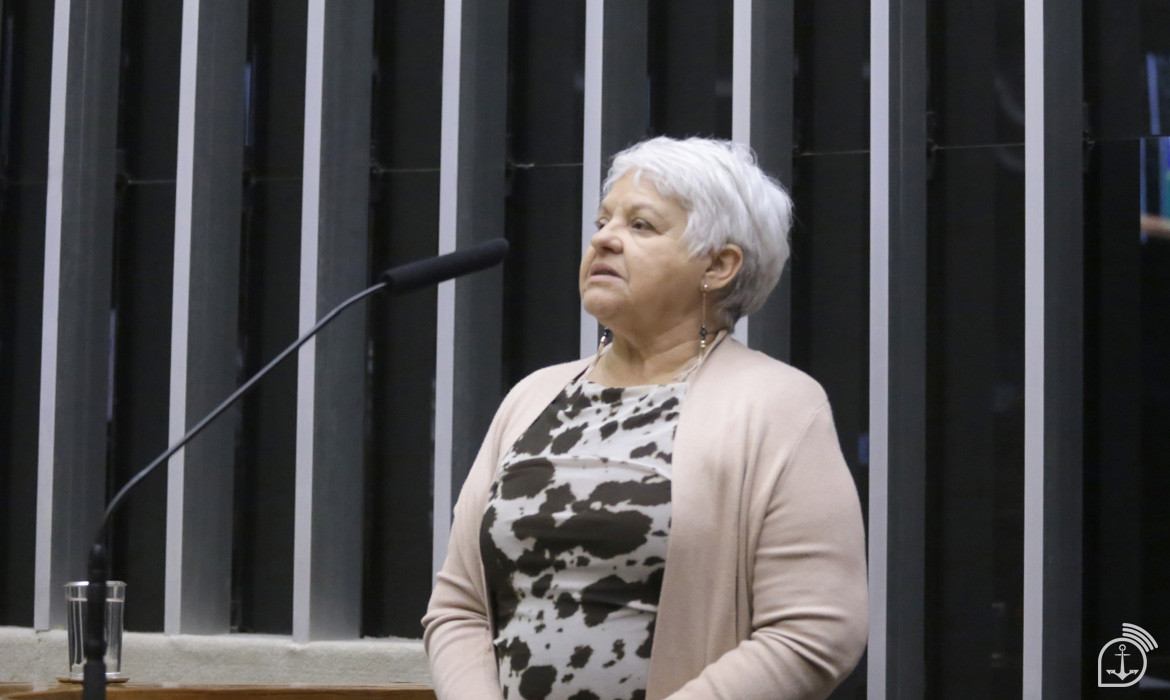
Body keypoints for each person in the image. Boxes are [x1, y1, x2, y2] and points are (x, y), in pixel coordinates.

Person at [422, 136, 868, 700]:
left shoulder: (778, 406)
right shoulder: (533, 398)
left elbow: (815, 631)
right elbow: (459, 607)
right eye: (602, 221)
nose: (603, 239)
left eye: (641, 226)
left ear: (719, 265)